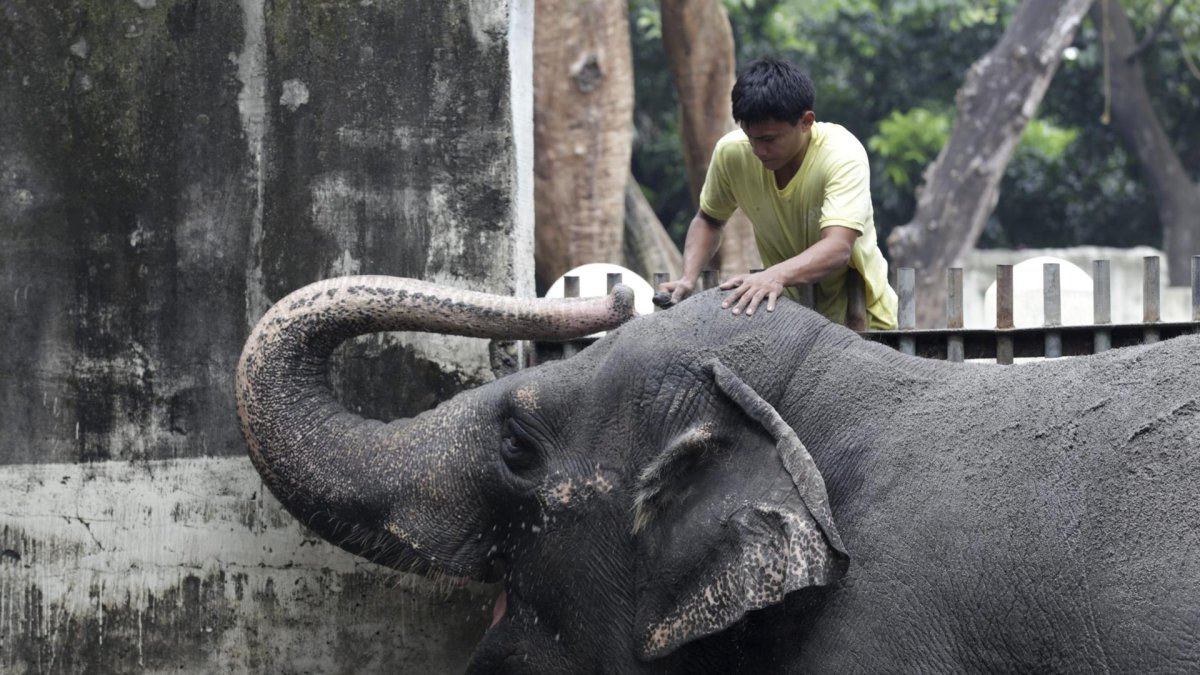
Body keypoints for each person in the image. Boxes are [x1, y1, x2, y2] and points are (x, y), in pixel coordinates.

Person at [659, 56, 898, 330]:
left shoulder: (842, 155)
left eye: (769, 139)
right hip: (791, 326)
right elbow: (709, 219)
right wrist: (688, 278)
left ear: (806, 121)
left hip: (865, 324)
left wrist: (773, 275)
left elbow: (838, 248)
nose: (759, 150)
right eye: (751, 139)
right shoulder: (732, 153)